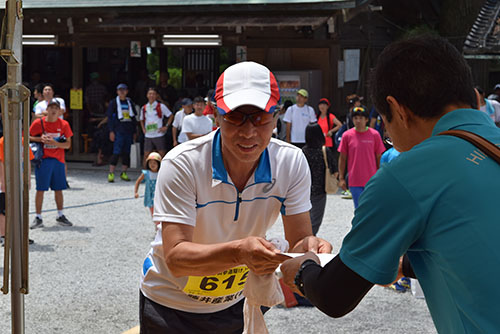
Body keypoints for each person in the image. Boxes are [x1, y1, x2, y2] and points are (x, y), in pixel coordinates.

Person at [280, 35, 500, 333]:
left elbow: (334, 296)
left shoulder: (408, 173)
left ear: (397, 110)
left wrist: (302, 270)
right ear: (474, 97)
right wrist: (406, 265)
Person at [139, 61, 332, 333]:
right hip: (170, 303)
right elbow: (176, 257)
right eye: (235, 116)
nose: (249, 131)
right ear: (216, 116)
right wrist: (240, 252)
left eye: (260, 117)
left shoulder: (290, 162)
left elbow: (298, 240)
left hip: (236, 302)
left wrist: (309, 247)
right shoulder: (183, 163)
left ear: (276, 116)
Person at [29, 99, 73, 228]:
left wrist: (56, 143)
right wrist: (40, 138)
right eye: (51, 107)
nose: (53, 110)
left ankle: (60, 214)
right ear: (46, 110)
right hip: (43, 160)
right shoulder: (38, 123)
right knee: (40, 189)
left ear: (60, 111)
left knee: (59, 189)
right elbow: (27, 136)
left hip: (59, 160)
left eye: (56, 108)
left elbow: (68, 144)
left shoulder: (64, 124)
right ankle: (38, 217)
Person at [337, 106, 385, 208]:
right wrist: (341, 178)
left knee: (371, 209)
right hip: (355, 181)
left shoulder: (374, 135)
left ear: (366, 119)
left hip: (372, 181)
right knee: (359, 209)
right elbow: (343, 158)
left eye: (361, 118)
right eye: (355, 118)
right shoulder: (347, 136)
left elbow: (378, 157)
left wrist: (381, 177)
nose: (358, 121)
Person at [302, 123, 337, 236]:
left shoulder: (303, 152)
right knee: (316, 219)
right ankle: (311, 237)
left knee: (305, 216)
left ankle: (304, 237)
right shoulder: (324, 151)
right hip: (321, 189)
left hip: (304, 190)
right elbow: (334, 170)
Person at [0, 136, 35, 246]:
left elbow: (27, 160)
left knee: (21, 208)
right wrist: (3, 181)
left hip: (19, 178)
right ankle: (4, 236)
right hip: (7, 178)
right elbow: (1, 162)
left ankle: (21, 234)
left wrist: (28, 179)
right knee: (3, 208)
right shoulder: (3, 141)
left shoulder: (23, 140)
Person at [107, 83, 137, 183]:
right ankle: (111, 173)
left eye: (123, 90)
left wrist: (134, 131)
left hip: (128, 129)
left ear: (127, 91)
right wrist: (111, 131)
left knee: (126, 153)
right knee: (116, 152)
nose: (122, 92)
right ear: (117, 92)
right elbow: (110, 118)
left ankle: (124, 172)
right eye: (120, 90)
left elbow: (133, 118)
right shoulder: (113, 103)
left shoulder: (130, 102)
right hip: (118, 130)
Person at [139, 87, 173, 165]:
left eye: (153, 94)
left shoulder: (161, 106)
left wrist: (166, 126)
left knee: (161, 154)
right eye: (150, 94)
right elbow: (141, 119)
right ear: (147, 95)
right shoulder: (144, 107)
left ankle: (163, 173)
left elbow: (171, 115)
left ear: (156, 95)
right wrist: (143, 129)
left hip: (159, 134)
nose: (151, 95)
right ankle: (145, 174)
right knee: (146, 155)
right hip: (148, 135)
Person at [134, 152, 162, 223]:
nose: (152, 165)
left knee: (161, 213)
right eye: (150, 163)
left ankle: (159, 228)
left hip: (159, 197)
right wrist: (136, 192)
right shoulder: (146, 173)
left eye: (154, 163)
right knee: (154, 214)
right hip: (150, 196)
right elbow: (138, 181)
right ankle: (157, 227)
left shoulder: (161, 173)